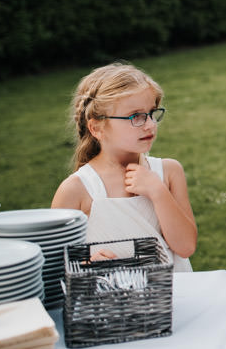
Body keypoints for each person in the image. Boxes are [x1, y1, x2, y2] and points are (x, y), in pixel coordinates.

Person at [52, 63, 195, 271]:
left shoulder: (169, 172)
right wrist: (86, 263)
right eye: (135, 116)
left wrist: (158, 192)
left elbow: (186, 247)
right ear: (96, 128)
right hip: (115, 301)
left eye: (151, 113)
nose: (150, 124)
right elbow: (55, 263)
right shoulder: (76, 189)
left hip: (176, 293)